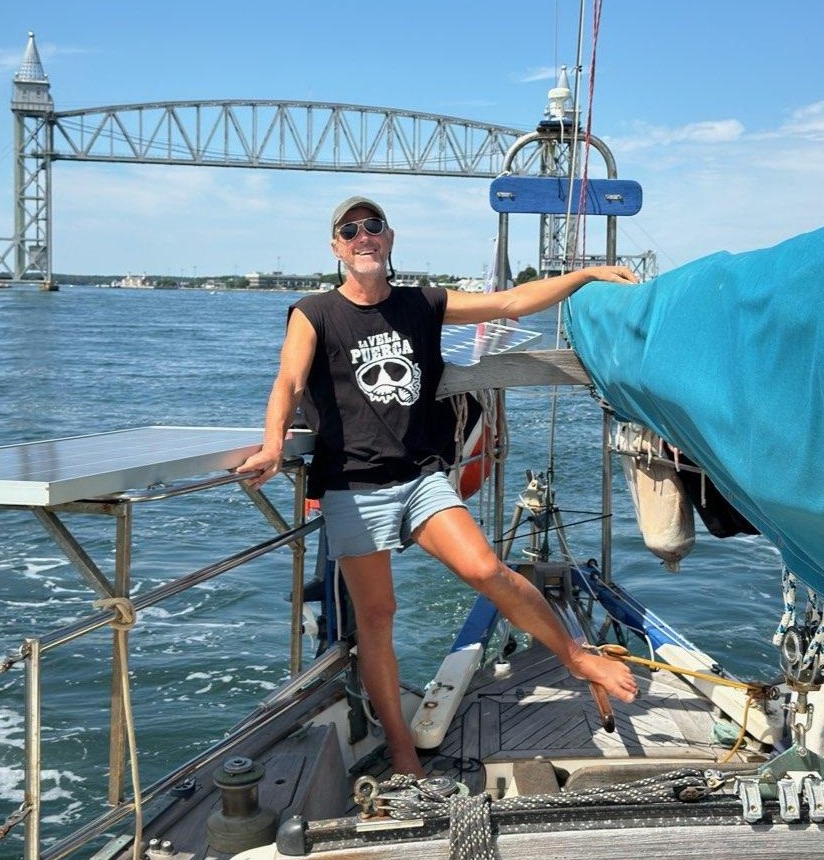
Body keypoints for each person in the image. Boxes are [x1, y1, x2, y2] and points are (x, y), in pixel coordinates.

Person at [239, 195, 639, 776]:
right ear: (336, 249)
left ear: (390, 237)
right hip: (352, 485)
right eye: (349, 231)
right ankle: (403, 750)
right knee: (377, 618)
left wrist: (585, 274)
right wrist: (274, 443)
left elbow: (509, 301)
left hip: (421, 478)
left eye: (372, 226)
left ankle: (577, 657)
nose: (362, 236)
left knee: (485, 570)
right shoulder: (314, 312)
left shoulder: (422, 304)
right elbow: (289, 379)